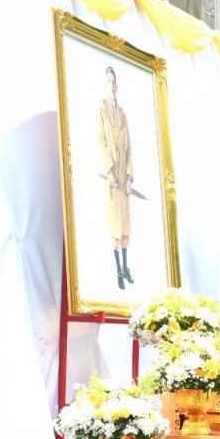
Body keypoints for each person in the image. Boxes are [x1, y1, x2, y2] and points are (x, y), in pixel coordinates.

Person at [99, 66, 135, 290]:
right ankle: (118, 272)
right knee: (114, 228)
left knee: (125, 228)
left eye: (114, 81)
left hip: (124, 179)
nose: (111, 85)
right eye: (108, 81)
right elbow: (101, 142)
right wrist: (109, 171)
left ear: (117, 86)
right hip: (112, 180)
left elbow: (130, 147)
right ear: (105, 85)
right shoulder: (101, 110)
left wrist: (129, 176)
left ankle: (126, 266)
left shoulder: (122, 113)